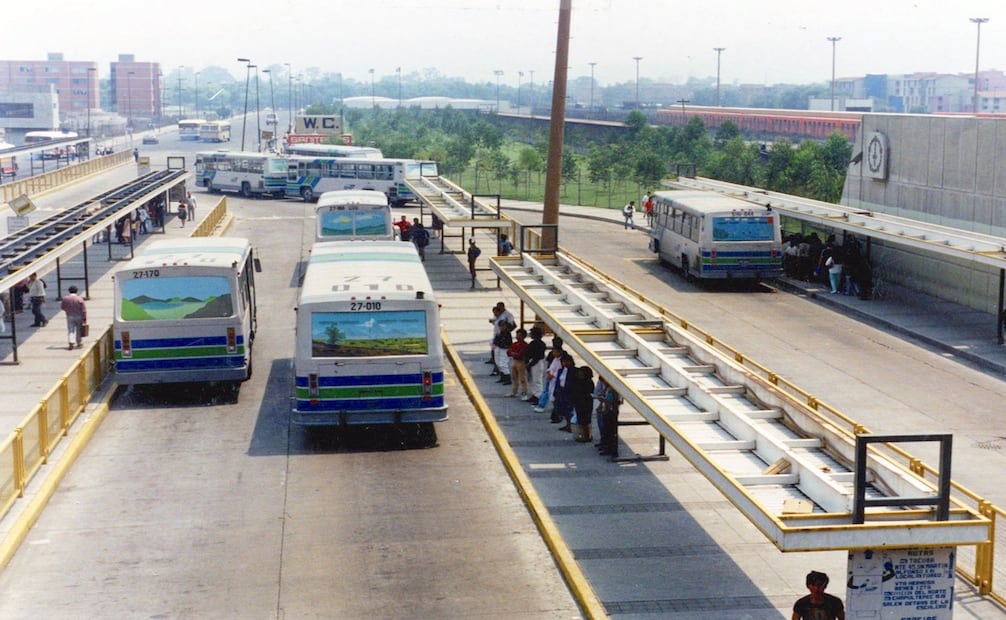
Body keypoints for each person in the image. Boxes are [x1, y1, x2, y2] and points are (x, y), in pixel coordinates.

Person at [523, 326, 547, 402]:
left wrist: (530, 364)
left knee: (537, 380)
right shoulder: (535, 343)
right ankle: (534, 394)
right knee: (532, 380)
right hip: (533, 362)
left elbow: (538, 356)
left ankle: (538, 396)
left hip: (537, 362)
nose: (530, 334)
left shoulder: (539, 344)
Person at [60, 285, 87, 350]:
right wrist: (85, 318)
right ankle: (79, 343)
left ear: (69, 291)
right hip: (79, 316)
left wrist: (67, 310)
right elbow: (84, 310)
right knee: (79, 330)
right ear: (76, 291)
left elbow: (62, 307)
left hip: (70, 316)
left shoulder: (65, 298)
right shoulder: (79, 299)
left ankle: (71, 342)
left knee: (71, 330)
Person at [505, 328, 529, 398]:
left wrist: (513, 353)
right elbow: (508, 352)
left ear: (523, 336)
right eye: (517, 335)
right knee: (514, 377)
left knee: (522, 378)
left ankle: (524, 392)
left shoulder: (525, 345)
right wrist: (514, 353)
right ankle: (514, 391)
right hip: (514, 361)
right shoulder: (515, 344)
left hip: (521, 362)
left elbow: (520, 354)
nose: (517, 337)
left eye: (519, 335)